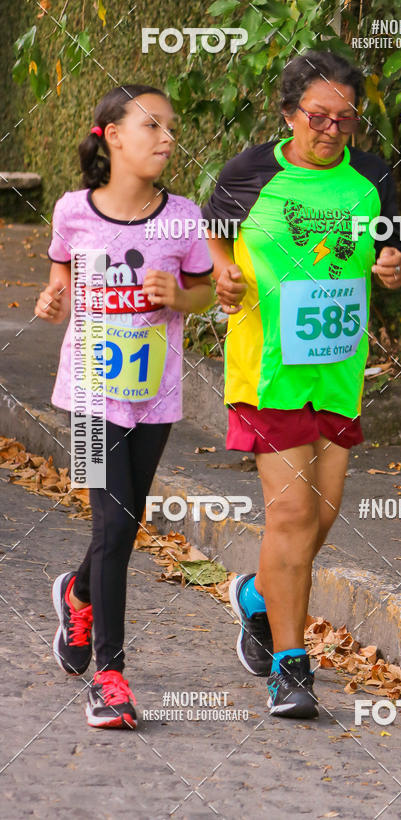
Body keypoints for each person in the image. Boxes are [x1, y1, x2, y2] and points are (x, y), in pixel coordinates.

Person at [203, 50, 401, 719]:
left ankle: (257, 599)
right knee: (291, 517)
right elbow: (210, 235)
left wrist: (395, 265)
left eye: (344, 118)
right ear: (288, 113)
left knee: (318, 519)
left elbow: (396, 250)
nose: (329, 129)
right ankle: (292, 667)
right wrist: (221, 275)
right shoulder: (249, 173)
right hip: (267, 370)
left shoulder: (373, 177)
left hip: (337, 368)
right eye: (316, 116)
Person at [35, 84, 214, 728]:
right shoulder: (72, 210)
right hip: (86, 391)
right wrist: (53, 300)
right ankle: (110, 676)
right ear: (111, 134)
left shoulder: (184, 217)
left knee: (126, 526)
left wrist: (179, 294)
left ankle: (78, 592)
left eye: (170, 128)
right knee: (111, 528)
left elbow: (205, 295)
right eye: (152, 126)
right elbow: (61, 280)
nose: (167, 138)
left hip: (155, 394)